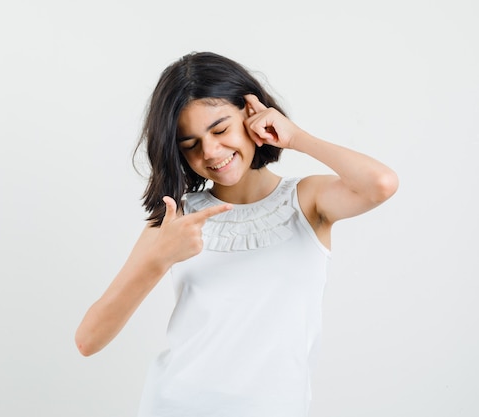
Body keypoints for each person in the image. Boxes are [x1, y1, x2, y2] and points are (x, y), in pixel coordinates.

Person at [75, 51, 398, 416]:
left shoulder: (308, 202)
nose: (211, 151)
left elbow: (381, 184)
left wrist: (295, 137)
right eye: (190, 145)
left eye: (220, 129)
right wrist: (159, 257)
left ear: (251, 112)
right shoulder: (176, 217)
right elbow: (89, 340)